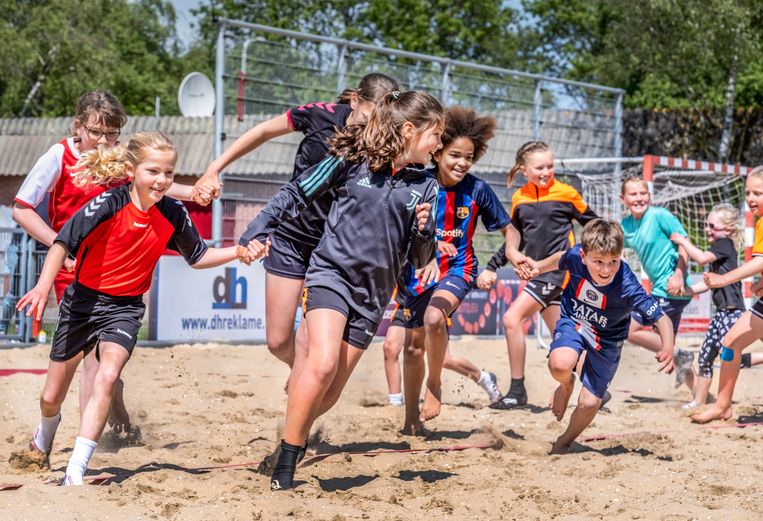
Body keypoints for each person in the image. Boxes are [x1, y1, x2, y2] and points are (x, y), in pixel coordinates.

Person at [238, 90, 443, 490]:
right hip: (330, 274)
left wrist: (423, 231)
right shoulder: (351, 159)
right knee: (322, 363)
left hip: (373, 294)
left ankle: (288, 440)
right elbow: (296, 192)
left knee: (328, 393)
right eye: (435, 134)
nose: (439, 143)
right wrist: (257, 227)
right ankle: (285, 470)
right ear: (408, 130)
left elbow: (420, 258)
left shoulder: (427, 186)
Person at [17, 132, 239, 485]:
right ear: (131, 170)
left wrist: (240, 251)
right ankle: (44, 436)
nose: (163, 180)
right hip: (83, 303)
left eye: (169, 173)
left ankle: (75, 471)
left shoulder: (173, 212)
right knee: (50, 397)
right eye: (154, 171)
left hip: (125, 308)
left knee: (107, 376)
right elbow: (62, 243)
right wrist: (43, 286)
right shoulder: (108, 204)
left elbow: (198, 257)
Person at [12, 91, 212, 436]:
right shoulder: (58, 156)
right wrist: (60, 246)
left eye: (112, 133)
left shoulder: (120, 159)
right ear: (79, 126)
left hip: (114, 267)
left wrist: (193, 192)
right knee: (74, 361)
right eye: (96, 132)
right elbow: (21, 208)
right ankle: (100, 401)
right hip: (71, 266)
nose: (104, 141)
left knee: (96, 364)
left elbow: (155, 182)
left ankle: (84, 449)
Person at [195, 73, 398, 370]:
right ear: (354, 100)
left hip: (333, 249)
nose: (373, 127)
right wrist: (215, 168)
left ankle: (309, 387)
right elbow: (263, 131)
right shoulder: (319, 114)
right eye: (368, 117)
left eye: (380, 121)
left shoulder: (384, 142)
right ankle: (303, 376)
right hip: (291, 237)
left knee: (312, 343)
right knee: (278, 343)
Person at [398, 106, 511, 430]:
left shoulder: (477, 189)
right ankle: (410, 420)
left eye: (469, 157)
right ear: (438, 151)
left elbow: (510, 230)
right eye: (455, 155)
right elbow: (399, 229)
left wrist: (507, 258)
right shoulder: (417, 181)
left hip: (458, 269)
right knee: (410, 347)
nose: (462, 163)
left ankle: (434, 385)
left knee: (434, 319)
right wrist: (428, 244)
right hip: (416, 271)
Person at [527, 219, 675, 453]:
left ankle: (563, 442)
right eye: (598, 262)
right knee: (560, 364)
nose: (606, 270)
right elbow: (560, 258)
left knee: (590, 402)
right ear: (584, 256)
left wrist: (668, 346)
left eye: (612, 262)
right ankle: (566, 387)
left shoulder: (627, 284)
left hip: (608, 339)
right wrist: (538, 267)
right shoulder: (576, 256)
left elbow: (661, 318)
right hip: (574, 320)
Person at [477, 141, 598, 409]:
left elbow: (594, 224)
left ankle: (517, 390)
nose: (546, 172)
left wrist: (597, 253)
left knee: (511, 319)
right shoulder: (520, 198)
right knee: (562, 339)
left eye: (550, 166)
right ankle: (596, 383)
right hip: (536, 277)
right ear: (524, 170)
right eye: (540, 167)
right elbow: (514, 241)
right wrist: (492, 265)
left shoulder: (567, 194)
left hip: (558, 273)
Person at [670, 204, 762, 409]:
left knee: (730, 355)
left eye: (712, 225)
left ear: (728, 229)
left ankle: (721, 402)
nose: (707, 229)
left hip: (732, 312)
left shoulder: (725, 244)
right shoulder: (720, 248)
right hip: (721, 313)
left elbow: (701, 258)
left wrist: (683, 241)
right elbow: (708, 283)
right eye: (705, 225)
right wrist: (686, 291)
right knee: (706, 355)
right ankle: (699, 401)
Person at [691, 166, 763, 423]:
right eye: (748, 192)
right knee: (730, 344)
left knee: (730, 345)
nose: (751, 198)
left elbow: (759, 262)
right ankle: (723, 406)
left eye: (758, 193)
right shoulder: (760, 221)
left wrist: (722, 278)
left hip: (737, 308)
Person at [619, 176, 696, 392]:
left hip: (671, 287)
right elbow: (615, 249)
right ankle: (701, 397)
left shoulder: (660, 215)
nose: (639, 198)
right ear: (623, 198)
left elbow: (684, 243)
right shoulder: (626, 226)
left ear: (649, 196)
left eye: (643, 193)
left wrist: (680, 273)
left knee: (630, 331)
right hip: (661, 290)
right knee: (666, 346)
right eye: (633, 194)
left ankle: (679, 353)